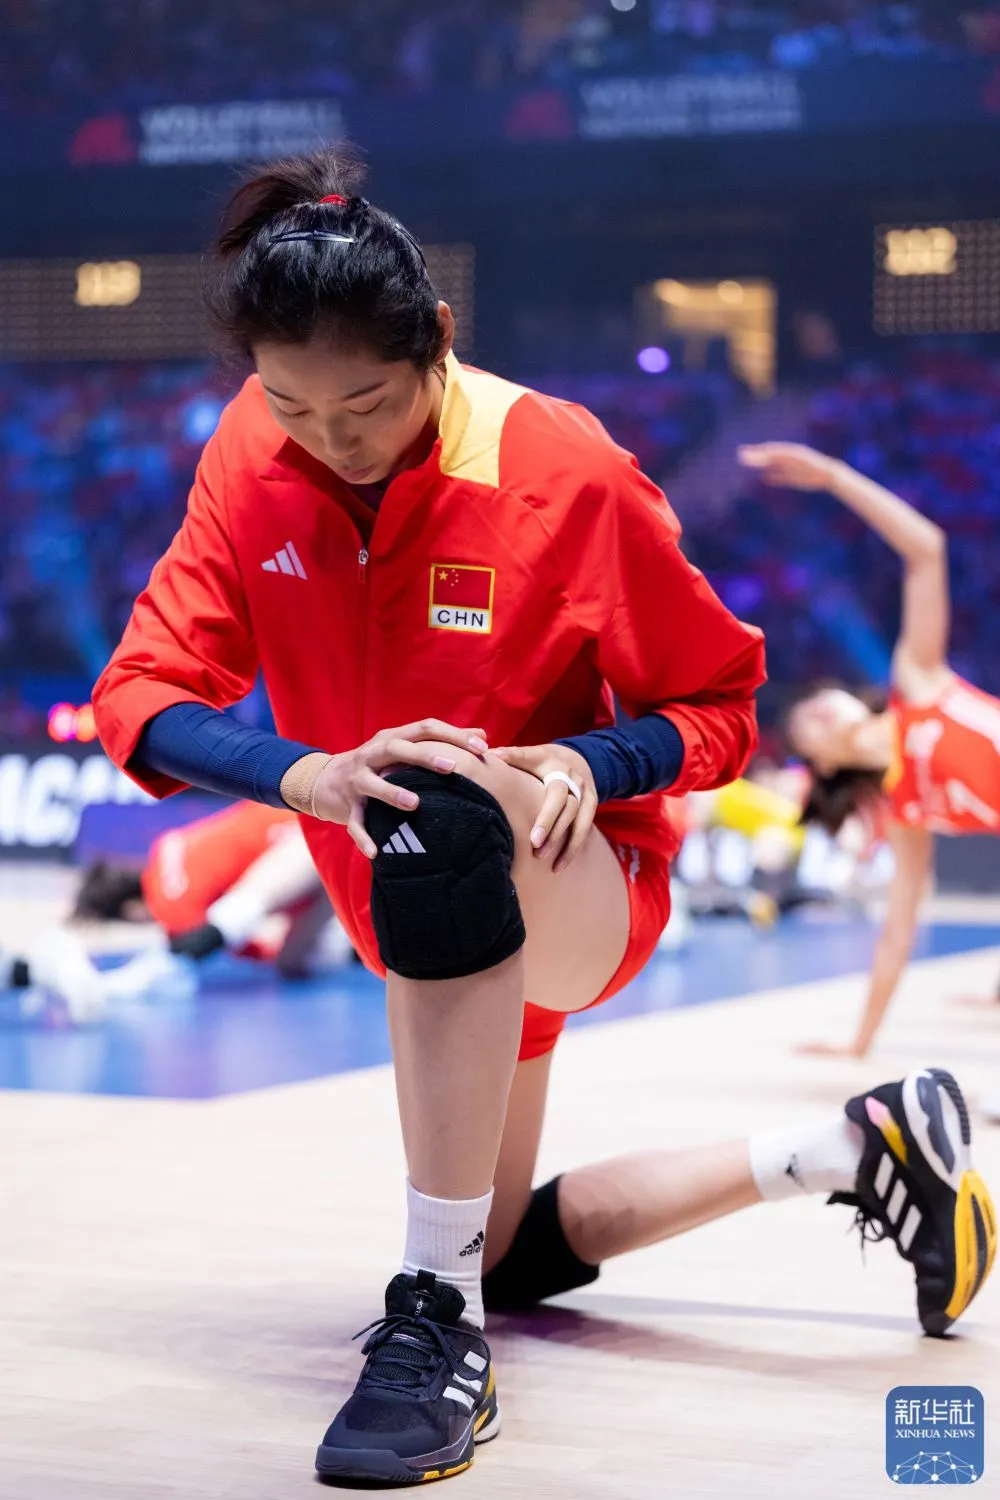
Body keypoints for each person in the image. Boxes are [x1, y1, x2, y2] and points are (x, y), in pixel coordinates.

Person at [91, 153, 992, 1485]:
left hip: (571, 877)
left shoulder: (562, 468)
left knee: (441, 809)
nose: (332, 438)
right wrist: (309, 775)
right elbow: (140, 693)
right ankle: (853, 1147)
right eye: (292, 405)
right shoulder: (250, 450)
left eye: (367, 403)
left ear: (437, 341)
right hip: (416, 913)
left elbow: (720, 705)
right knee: (501, 1247)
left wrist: (588, 757)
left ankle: (431, 1324)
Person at [739, 440, 1000, 1060]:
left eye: (818, 699)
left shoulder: (919, 683)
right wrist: (859, 1043)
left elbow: (926, 549)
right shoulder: (907, 813)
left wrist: (834, 476)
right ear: (823, 764)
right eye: (805, 725)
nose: (817, 709)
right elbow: (898, 932)